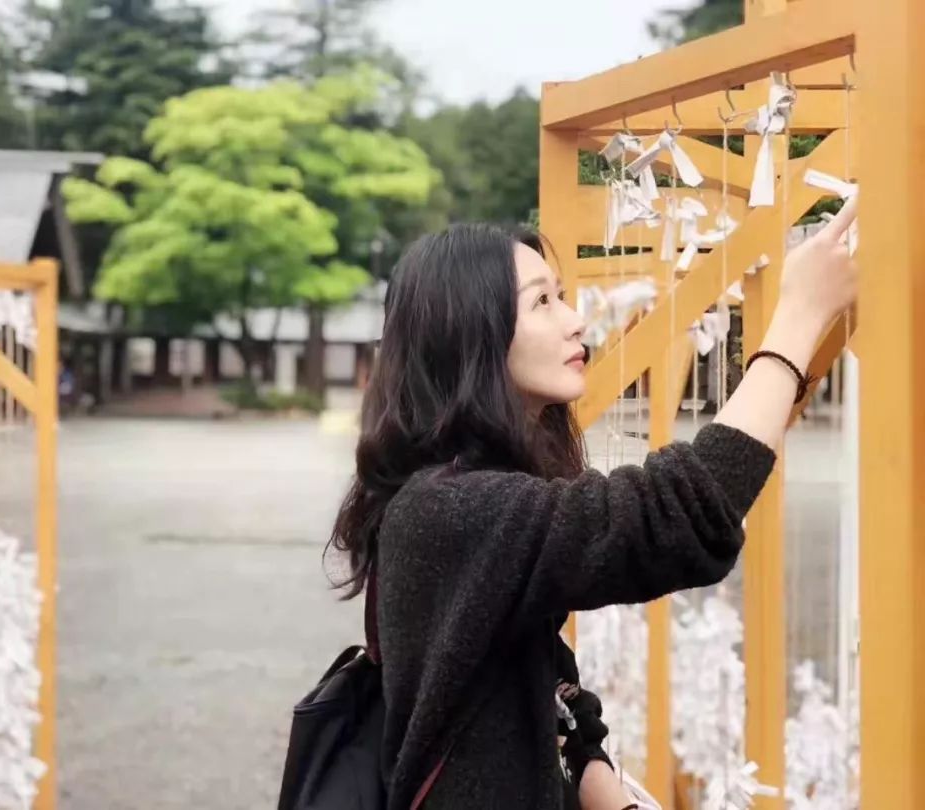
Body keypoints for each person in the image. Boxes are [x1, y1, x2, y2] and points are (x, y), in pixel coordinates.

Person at [325, 198, 859, 810]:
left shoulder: (465, 495)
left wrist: (597, 776)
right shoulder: (450, 511)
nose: (575, 320)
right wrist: (798, 318)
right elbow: (676, 517)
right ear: (469, 336)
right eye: (542, 303)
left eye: (563, 295)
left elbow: (541, 687)